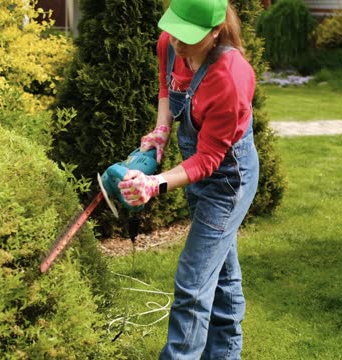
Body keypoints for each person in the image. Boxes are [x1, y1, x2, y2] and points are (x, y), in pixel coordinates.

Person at [118, 0, 260, 358]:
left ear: (214, 33)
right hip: (196, 167)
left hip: (229, 179)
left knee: (193, 283)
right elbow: (167, 90)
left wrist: (154, 184)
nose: (178, 42)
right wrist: (161, 131)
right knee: (222, 278)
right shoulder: (169, 43)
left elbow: (211, 159)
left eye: (189, 36)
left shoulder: (231, 76)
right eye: (175, 29)